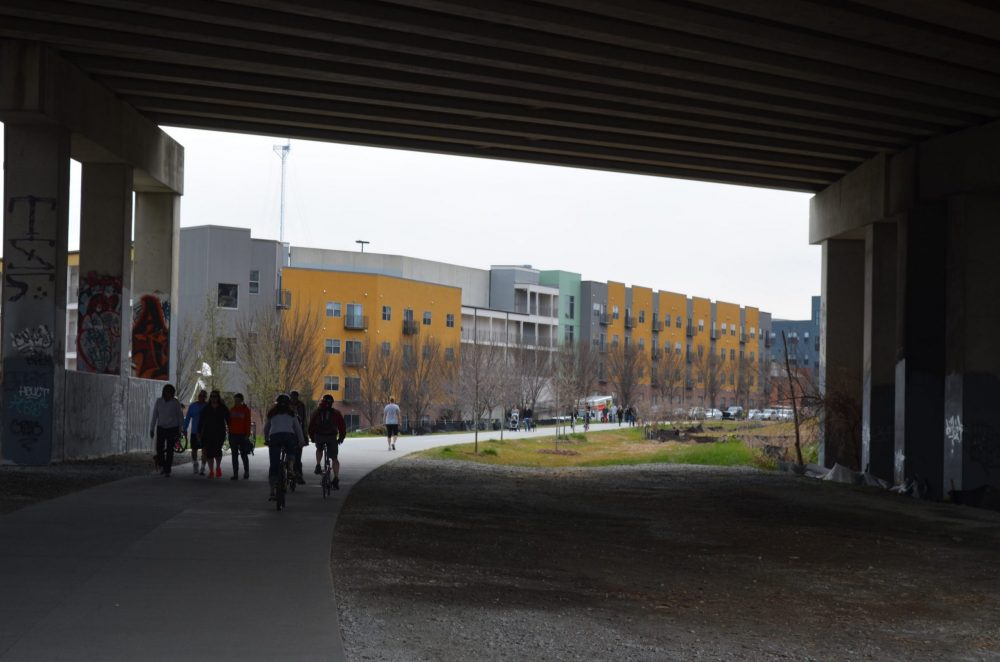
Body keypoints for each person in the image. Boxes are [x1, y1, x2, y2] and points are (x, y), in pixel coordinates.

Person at [264, 394, 304, 501]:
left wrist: (266, 439)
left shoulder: (272, 414)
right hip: (288, 436)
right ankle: (290, 467)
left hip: (275, 437)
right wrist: (301, 441)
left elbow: (266, 428)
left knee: (274, 465)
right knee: (291, 450)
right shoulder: (292, 415)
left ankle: (272, 491)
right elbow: (298, 429)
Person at [309, 394, 347, 489]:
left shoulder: (317, 412)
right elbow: (342, 427)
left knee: (319, 449)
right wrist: (341, 438)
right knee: (334, 458)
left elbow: (311, 426)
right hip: (331, 437)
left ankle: (318, 465)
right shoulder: (336, 413)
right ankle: (336, 478)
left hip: (319, 436)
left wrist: (312, 437)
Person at [149, 384, 184, 477]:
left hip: (173, 428)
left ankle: (167, 469)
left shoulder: (175, 402)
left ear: (172, 393)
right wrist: (152, 428)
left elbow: (180, 417)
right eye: (166, 391)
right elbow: (154, 415)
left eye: (170, 391)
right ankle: (162, 465)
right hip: (161, 428)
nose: (168, 393)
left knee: (169, 449)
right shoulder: (159, 401)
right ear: (164, 392)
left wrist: (180, 430)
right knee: (159, 448)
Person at [198, 390, 230, 478]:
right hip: (207, 433)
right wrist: (199, 433)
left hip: (219, 433)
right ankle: (211, 470)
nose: (213, 398)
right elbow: (201, 422)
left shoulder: (223, 408)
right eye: (211, 396)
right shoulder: (206, 408)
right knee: (209, 453)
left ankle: (218, 467)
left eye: (215, 396)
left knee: (217, 451)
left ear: (218, 397)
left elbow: (228, 420)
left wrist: (230, 430)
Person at [183, 389, 208, 474]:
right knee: (194, 450)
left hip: (205, 432)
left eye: (203, 396)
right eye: (200, 396)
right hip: (194, 431)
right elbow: (187, 418)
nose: (201, 397)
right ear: (198, 396)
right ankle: (195, 463)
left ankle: (203, 467)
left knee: (205, 450)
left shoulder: (208, 406)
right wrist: (184, 429)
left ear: (205, 397)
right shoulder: (193, 406)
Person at [228, 393, 253, 480]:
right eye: (235, 400)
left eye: (238, 400)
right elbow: (229, 422)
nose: (236, 402)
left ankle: (246, 472)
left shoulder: (246, 410)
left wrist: (247, 434)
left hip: (242, 435)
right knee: (234, 455)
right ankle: (235, 474)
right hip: (233, 435)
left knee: (243, 454)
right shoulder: (232, 410)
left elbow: (248, 422)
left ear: (241, 401)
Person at [288, 390, 308, 484]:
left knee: (298, 457)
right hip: (291, 433)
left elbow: (303, 420)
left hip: (297, 433)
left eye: (295, 397)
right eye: (292, 397)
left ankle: (298, 474)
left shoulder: (301, 405)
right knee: (293, 456)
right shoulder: (287, 405)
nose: (293, 399)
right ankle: (292, 472)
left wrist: (304, 435)